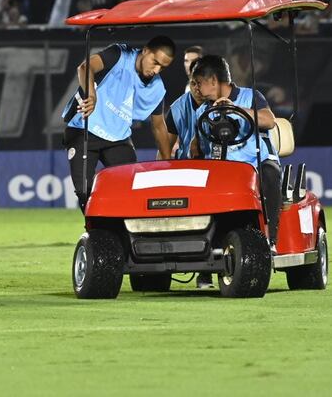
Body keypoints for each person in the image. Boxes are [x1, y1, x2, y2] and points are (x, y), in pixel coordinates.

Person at [61, 36, 175, 212]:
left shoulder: (157, 89)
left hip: (118, 138)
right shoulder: (119, 54)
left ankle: (125, 234)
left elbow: (159, 125)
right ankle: (96, 235)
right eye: (155, 62)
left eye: (163, 67)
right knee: (85, 192)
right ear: (145, 51)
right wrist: (91, 95)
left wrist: (168, 162)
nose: (156, 70)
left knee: (130, 189)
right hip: (84, 129)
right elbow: (85, 67)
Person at [190, 55, 280, 252]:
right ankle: (205, 246)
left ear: (213, 80)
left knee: (271, 173)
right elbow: (201, 145)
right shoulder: (202, 111)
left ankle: (271, 240)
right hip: (223, 167)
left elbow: (269, 120)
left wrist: (236, 109)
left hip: (256, 163)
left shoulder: (250, 96)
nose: (196, 88)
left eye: (199, 83)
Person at [164, 46, 212, 289]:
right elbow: (167, 146)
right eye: (194, 82)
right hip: (185, 171)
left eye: (201, 82)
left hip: (213, 170)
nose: (197, 88)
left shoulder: (219, 103)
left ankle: (206, 274)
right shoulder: (176, 107)